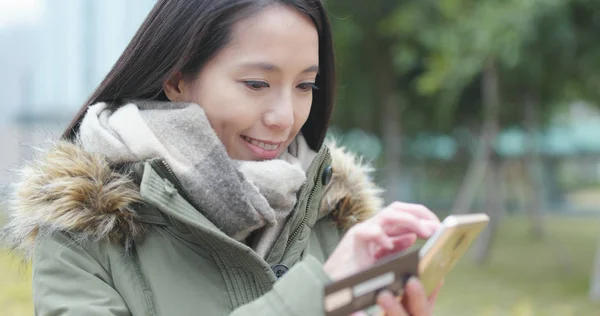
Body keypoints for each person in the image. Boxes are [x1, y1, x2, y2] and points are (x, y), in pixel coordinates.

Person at [1, 1, 443, 315]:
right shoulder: (84, 229)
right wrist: (316, 297)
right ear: (176, 79)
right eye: (256, 83)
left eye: (305, 85)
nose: (284, 118)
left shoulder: (332, 216)